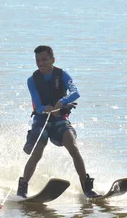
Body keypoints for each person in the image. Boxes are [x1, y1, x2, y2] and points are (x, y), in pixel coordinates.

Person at [17, 45, 99, 199]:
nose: (41, 63)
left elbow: (76, 93)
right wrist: (44, 109)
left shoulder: (62, 75)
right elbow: (37, 103)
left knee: (73, 146)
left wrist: (63, 101)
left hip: (60, 119)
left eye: (44, 60)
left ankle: (87, 187)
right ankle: (22, 189)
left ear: (52, 60)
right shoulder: (32, 80)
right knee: (37, 153)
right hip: (42, 120)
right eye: (37, 60)